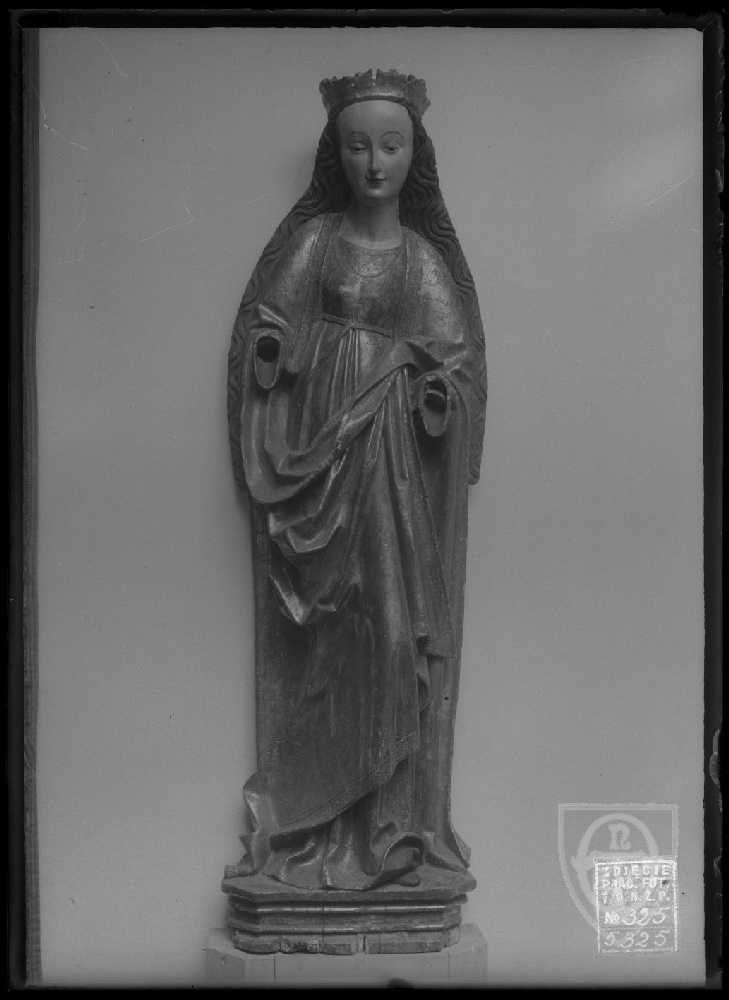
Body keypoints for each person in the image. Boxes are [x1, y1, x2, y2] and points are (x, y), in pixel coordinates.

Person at [226, 69, 486, 890]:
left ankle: (388, 828)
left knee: (393, 630)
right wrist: (273, 350)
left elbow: (455, 368)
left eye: (391, 146)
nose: (375, 163)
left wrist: (437, 396)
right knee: (325, 642)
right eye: (358, 146)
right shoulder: (314, 245)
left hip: (389, 474)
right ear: (335, 155)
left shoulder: (422, 263)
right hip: (319, 461)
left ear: (415, 154)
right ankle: (311, 829)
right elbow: (268, 325)